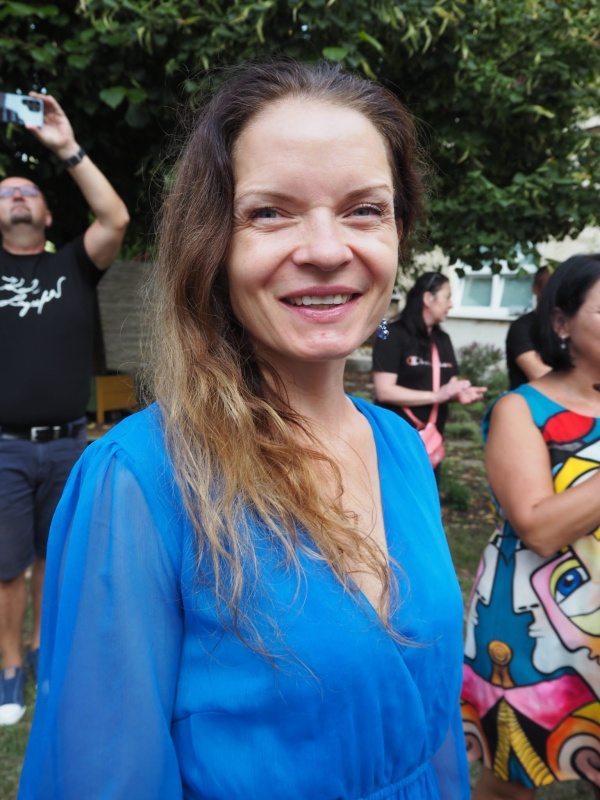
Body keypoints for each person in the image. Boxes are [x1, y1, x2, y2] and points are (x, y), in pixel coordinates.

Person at [19, 61, 469, 799]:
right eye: (270, 213)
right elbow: (107, 779)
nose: (326, 249)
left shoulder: (402, 451)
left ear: (400, 233)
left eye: (364, 209)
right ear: (213, 245)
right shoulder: (140, 482)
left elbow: (435, 732)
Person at [0, 93, 129, 726]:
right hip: (4, 446)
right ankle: (8, 669)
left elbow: (115, 217)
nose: (18, 197)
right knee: (6, 570)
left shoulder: (74, 266)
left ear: (49, 214)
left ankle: (44, 652)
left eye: (28, 191)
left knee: (56, 558)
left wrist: (67, 147)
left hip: (69, 442)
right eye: (6, 194)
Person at [462, 254, 600, 798]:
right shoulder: (521, 410)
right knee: (511, 779)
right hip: (532, 624)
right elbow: (538, 527)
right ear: (561, 323)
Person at [372, 271, 486, 470]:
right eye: (447, 297)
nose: (451, 304)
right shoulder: (391, 334)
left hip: (431, 443)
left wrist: (459, 393)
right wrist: (436, 396)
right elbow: (384, 391)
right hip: (395, 440)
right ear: (428, 298)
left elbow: (447, 386)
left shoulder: (443, 339)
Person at [505, 266, 552, 389]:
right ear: (536, 289)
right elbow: (538, 375)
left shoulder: (573, 327)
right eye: (550, 287)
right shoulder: (521, 327)